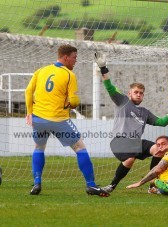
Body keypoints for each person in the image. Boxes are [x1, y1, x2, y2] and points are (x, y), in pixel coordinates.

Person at [25, 44, 109, 197]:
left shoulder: (41, 71)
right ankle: (91, 185)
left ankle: (37, 182)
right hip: (59, 119)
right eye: (74, 57)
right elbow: (75, 101)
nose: (75, 61)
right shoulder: (69, 74)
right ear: (66, 57)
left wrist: (29, 112)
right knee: (80, 148)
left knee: (39, 147)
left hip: (38, 118)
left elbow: (28, 91)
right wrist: (70, 103)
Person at [94, 52, 168, 193]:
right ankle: (111, 186)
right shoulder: (123, 102)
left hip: (135, 142)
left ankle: (153, 185)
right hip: (119, 141)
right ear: (129, 94)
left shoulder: (144, 112)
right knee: (130, 158)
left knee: (160, 150)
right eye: (136, 92)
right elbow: (109, 86)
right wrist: (103, 68)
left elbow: (162, 122)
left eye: (141, 93)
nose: (139, 94)